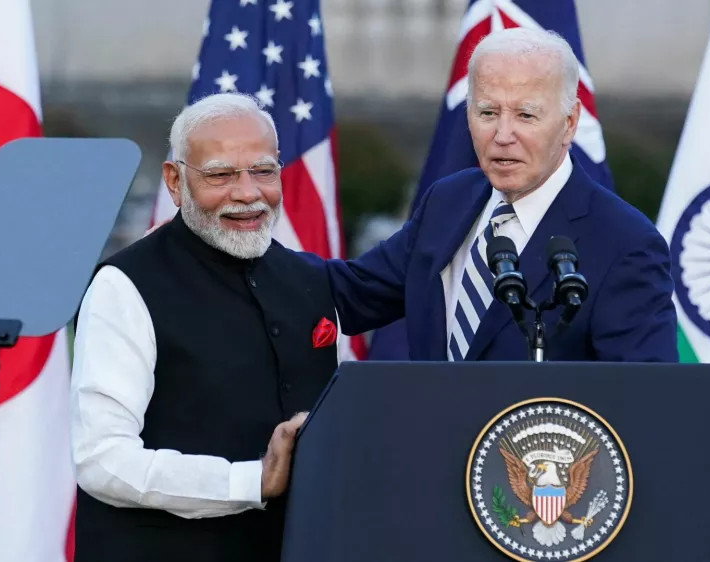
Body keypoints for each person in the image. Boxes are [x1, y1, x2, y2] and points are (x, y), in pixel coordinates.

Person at [69, 93, 342, 561]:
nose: (247, 193)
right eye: (220, 174)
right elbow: (101, 459)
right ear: (175, 182)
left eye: (263, 171)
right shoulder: (124, 286)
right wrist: (250, 480)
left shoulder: (310, 279)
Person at [314, 27, 678, 362]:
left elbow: (642, 400)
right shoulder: (448, 200)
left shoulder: (626, 244)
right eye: (488, 112)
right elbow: (351, 293)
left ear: (569, 123)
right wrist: (257, 246)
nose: (503, 135)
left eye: (525, 115)